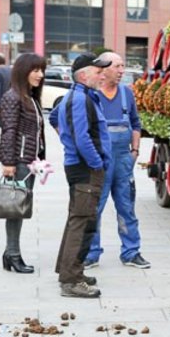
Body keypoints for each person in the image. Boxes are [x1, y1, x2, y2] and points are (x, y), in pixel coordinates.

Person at [51, 54, 111, 298]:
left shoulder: (79, 96)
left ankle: (69, 270)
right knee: (82, 222)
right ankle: (71, 280)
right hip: (86, 169)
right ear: (84, 75)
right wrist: (97, 163)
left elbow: (54, 117)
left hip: (81, 166)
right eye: (98, 72)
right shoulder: (79, 99)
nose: (102, 75)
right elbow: (81, 137)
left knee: (79, 219)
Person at [83, 52, 149, 269]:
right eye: (117, 66)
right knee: (95, 208)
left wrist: (135, 151)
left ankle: (131, 252)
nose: (122, 71)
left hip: (123, 160)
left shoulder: (126, 94)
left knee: (126, 207)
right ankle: (91, 253)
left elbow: (135, 124)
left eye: (123, 66)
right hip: (99, 163)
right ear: (103, 69)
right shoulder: (91, 94)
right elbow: (63, 120)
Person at [0, 53, 47, 274]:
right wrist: (8, 162)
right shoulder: (13, 97)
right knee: (16, 208)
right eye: (35, 70)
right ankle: (13, 254)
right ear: (23, 72)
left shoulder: (30, 97)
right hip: (19, 162)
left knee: (19, 207)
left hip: (30, 162)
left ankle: (10, 253)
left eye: (41, 70)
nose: (40, 75)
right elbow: (8, 131)